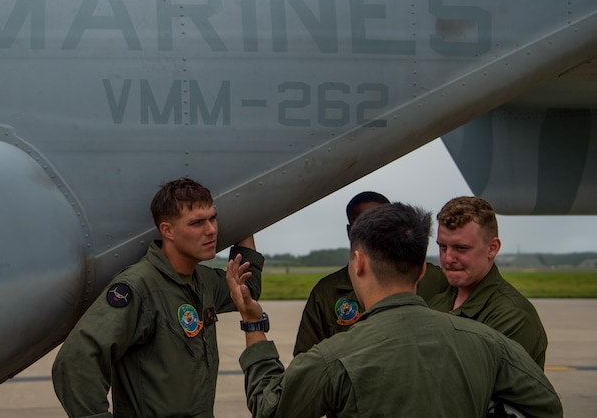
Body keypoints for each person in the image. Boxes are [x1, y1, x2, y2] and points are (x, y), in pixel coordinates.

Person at [226, 203, 562, 418]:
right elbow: (545, 405)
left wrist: (253, 324)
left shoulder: (335, 357)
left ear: (358, 263)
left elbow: (268, 407)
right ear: (421, 270)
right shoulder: (487, 342)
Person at [51, 177, 264, 417]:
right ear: (167, 230)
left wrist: (248, 217)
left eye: (213, 218)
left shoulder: (203, 281)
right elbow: (74, 362)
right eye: (197, 223)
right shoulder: (139, 287)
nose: (211, 230)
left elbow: (249, 288)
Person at [293, 191, 449, 355]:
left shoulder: (437, 279)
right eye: (361, 224)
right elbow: (306, 360)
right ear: (350, 232)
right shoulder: (326, 292)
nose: (372, 231)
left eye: (383, 223)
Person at [428, 196, 548, 369]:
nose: (448, 259)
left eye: (461, 248)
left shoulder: (513, 317)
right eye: (443, 247)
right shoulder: (438, 302)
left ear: (492, 248)